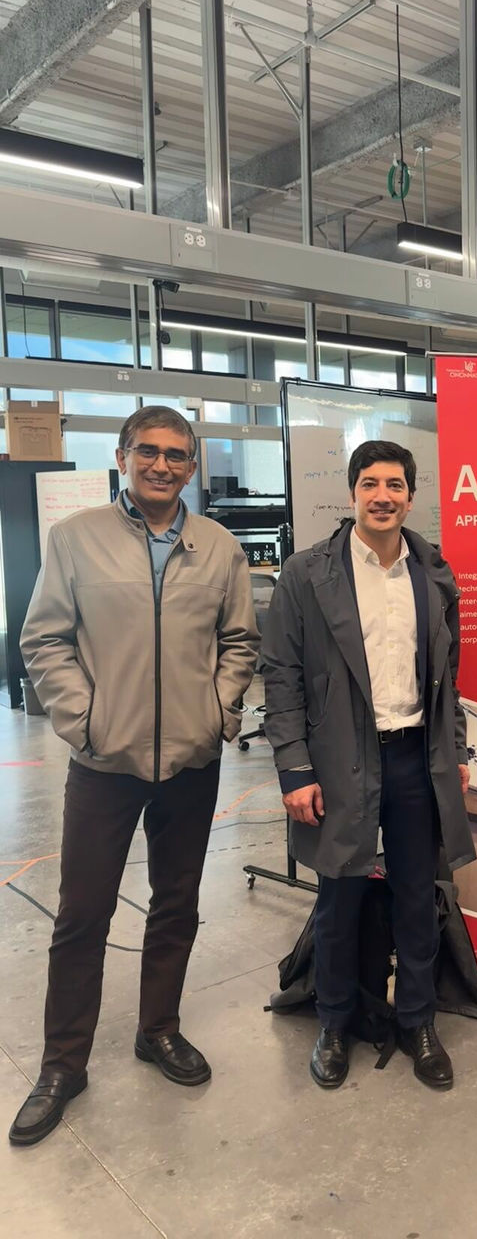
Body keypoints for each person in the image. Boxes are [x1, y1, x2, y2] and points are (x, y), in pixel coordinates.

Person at [9, 407, 259, 1148]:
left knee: (176, 903)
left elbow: (240, 640)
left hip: (192, 760)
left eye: (176, 455)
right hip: (103, 764)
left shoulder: (217, 547)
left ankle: (159, 1030)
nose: (161, 464)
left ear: (191, 466)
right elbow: (43, 637)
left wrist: (217, 711)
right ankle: (63, 1065)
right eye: (146, 451)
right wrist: (84, 722)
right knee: (82, 914)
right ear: (121, 456)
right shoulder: (75, 539)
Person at [260, 439, 475, 1091]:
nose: (384, 496)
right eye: (371, 484)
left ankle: (416, 1020)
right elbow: (281, 677)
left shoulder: (432, 571)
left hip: (416, 756)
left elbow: (449, 676)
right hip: (338, 758)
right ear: (353, 493)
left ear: (411, 495)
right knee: (339, 896)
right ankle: (334, 1021)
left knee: (417, 893)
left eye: (396, 485)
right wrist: (296, 771)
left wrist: (454, 749)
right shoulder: (307, 574)